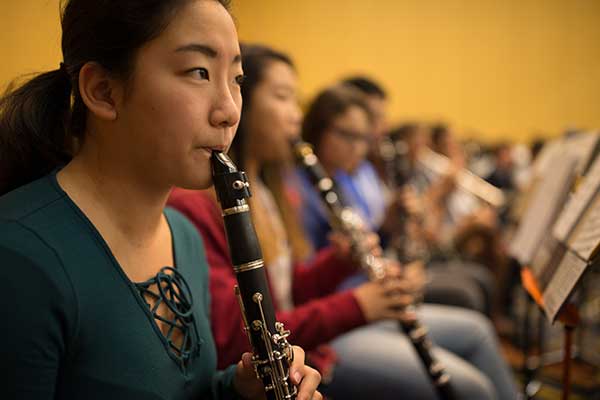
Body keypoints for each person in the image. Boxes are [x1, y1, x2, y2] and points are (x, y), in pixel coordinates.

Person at [0, 2, 321, 399]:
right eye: (199, 72)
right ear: (102, 91)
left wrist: (239, 390)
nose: (228, 111)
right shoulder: (19, 257)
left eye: (236, 79)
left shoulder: (184, 236)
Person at [169, 44, 519, 400]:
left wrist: (338, 263)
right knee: (472, 386)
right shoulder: (207, 204)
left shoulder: (267, 192)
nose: (295, 115)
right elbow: (246, 333)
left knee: (476, 335)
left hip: (310, 344)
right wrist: (357, 304)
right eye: (283, 97)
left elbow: (284, 292)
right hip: (308, 351)